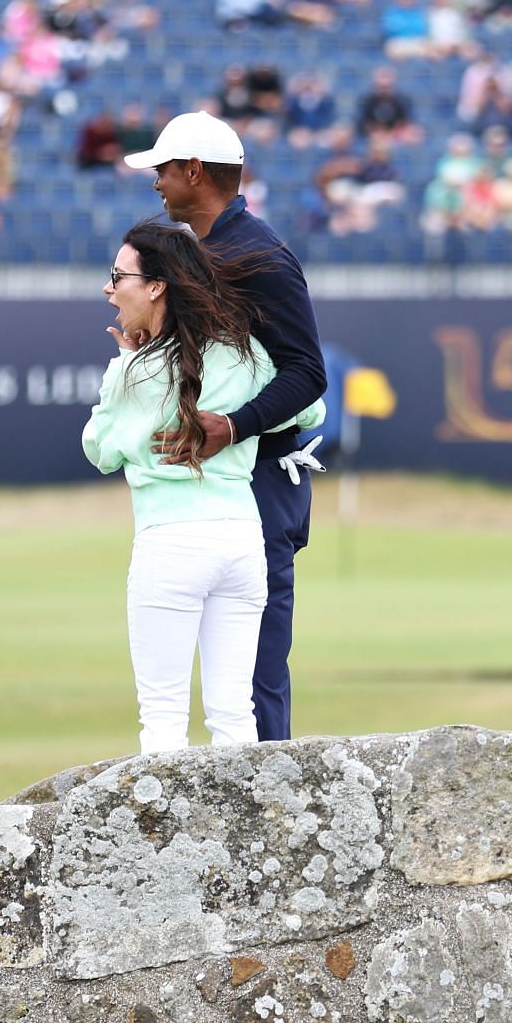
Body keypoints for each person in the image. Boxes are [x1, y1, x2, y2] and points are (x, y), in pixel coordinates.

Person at [84, 222, 325, 753]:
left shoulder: (136, 371)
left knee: (164, 719)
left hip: (170, 544)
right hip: (242, 541)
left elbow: (101, 449)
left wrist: (126, 362)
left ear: (156, 287)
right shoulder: (246, 356)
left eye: (117, 275)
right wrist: (238, 422)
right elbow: (310, 406)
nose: (108, 287)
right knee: (235, 716)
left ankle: (163, 838)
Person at [126, 112, 328, 741]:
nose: (156, 181)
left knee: (252, 677)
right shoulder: (201, 253)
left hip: (261, 477)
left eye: (162, 169)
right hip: (223, 485)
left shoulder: (259, 255)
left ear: (193, 171)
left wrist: (234, 426)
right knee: (229, 683)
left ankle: (270, 822)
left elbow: (307, 372)